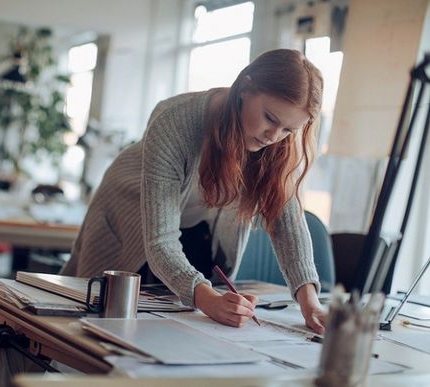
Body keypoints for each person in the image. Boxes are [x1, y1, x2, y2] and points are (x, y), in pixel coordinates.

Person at [61, 49, 327, 334]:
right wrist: (209, 300)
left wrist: (310, 303)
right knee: (96, 319)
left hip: (195, 222)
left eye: (288, 129)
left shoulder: (276, 145)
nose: (273, 136)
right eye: (270, 118)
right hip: (130, 210)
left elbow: (288, 223)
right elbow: (161, 240)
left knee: (183, 323)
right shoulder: (176, 121)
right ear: (245, 88)